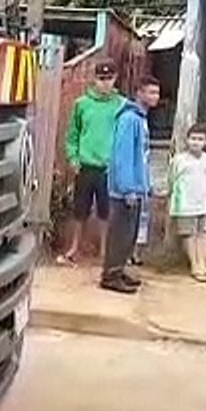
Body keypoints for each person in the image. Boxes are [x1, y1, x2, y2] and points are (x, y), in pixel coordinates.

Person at [60, 59, 124, 265]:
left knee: (106, 210)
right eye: (101, 78)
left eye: (109, 78)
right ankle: (75, 247)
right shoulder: (82, 104)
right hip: (86, 165)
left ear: (115, 79)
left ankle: (105, 250)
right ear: (95, 79)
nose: (105, 83)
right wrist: (73, 157)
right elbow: (72, 134)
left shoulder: (121, 105)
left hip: (108, 167)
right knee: (80, 210)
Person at [101, 75, 159, 294]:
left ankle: (119, 269)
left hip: (136, 188)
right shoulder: (129, 119)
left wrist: (145, 184)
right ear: (140, 93)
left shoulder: (140, 118)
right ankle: (111, 275)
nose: (155, 97)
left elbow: (141, 157)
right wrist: (128, 189)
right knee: (120, 234)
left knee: (129, 234)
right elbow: (123, 156)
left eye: (157, 93)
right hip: (125, 191)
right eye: (151, 92)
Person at [169, 123, 206, 282]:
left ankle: (202, 263)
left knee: (201, 234)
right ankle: (194, 265)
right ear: (187, 140)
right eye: (193, 139)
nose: (196, 142)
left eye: (200, 139)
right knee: (189, 235)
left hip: (201, 203)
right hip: (184, 204)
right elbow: (171, 179)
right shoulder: (179, 160)